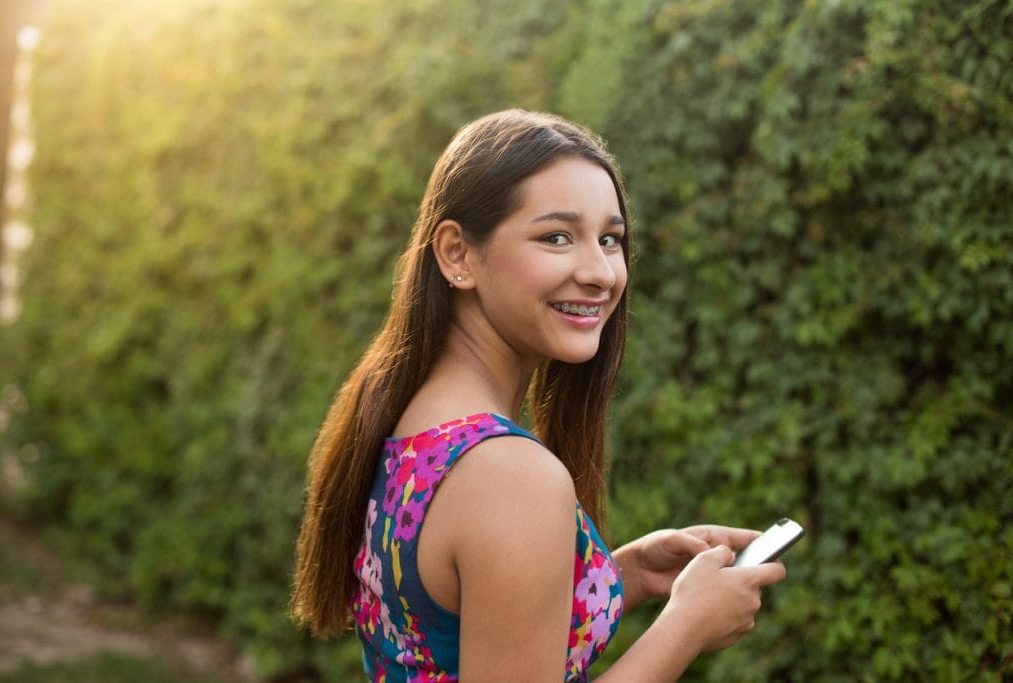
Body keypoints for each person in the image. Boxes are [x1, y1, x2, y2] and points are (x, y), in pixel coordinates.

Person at [291, 109, 787, 681]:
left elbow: (449, 625)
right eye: (557, 237)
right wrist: (687, 627)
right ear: (457, 254)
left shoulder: (411, 419)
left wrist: (623, 576)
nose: (602, 272)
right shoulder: (510, 476)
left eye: (610, 239)